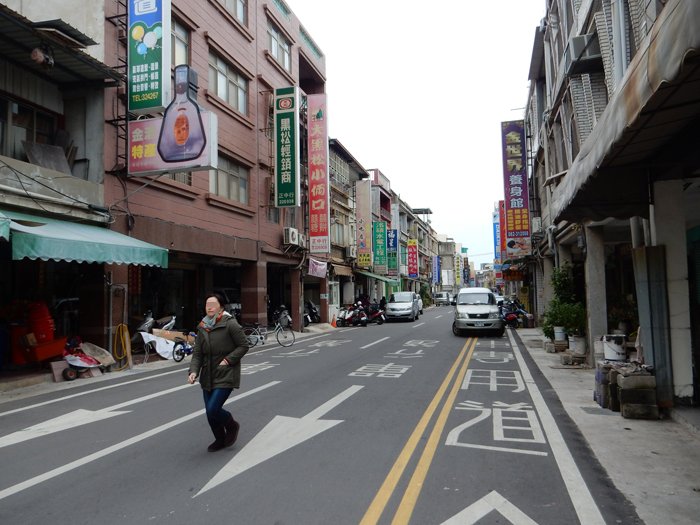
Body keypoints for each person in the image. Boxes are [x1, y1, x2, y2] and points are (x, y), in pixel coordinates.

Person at [187, 292, 250, 452]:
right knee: (210, 413)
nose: (209, 307)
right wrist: (193, 371)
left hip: (225, 372)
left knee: (213, 409)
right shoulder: (203, 327)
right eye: (207, 305)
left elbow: (243, 345)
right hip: (207, 375)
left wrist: (228, 360)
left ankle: (232, 425)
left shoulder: (230, 324)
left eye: (213, 305)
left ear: (221, 307)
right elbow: (198, 354)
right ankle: (220, 439)